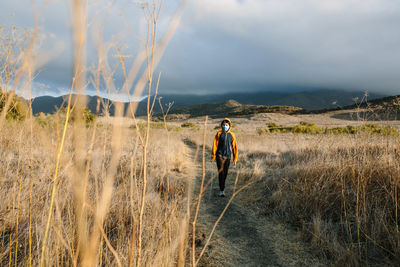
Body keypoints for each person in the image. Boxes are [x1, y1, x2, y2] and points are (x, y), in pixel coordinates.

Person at [211, 118, 238, 197]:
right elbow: (214, 145)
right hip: (219, 155)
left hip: (228, 157)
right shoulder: (218, 134)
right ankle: (221, 190)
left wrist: (235, 159)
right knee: (221, 172)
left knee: (225, 173)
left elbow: (234, 147)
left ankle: (222, 187)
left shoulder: (232, 135)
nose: (224, 126)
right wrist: (213, 156)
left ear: (229, 126)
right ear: (221, 125)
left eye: (226, 125)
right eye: (223, 125)